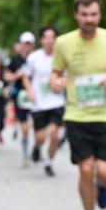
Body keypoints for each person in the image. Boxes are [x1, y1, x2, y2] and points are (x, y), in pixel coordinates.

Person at [52, 0, 106, 210]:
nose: (89, 19)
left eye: (93, 14)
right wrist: (55, 82)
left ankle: (102, 185)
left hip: (105, 114)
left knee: (105, 171)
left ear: (99, 14)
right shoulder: (63, 43)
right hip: (77, 114)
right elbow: (56, 72)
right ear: (76, 15)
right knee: (85, 169)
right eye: (84, 14)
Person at [22, 26, 65, 177]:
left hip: (56, 101)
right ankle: (37, 147)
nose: (49, 41)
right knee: (40, 137)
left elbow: (68, 77)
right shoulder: (34, 58)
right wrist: (29, 90)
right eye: (46, 37)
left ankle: (49, 163)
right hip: (39, 104)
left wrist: (61, 84)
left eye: (52, 38)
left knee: (54, 135)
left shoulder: (62, 57)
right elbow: (25, 76)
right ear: (41, 40)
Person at [6, 34, 36, 166]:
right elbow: (6, 75)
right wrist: (16, 75)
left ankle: (37, 148)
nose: (27, 46)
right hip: (21, 96)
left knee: (38, 127)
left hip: (37, 96)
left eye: (29, 43)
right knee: (24, 127)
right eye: (25, 43)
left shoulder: (38, 58)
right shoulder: (16, 59)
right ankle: (25, 153)